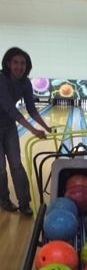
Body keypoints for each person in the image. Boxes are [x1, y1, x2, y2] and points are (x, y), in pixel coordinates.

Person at [0, 47, 53, 216]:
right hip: (7, 119)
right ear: (8, 64)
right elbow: (10, 107)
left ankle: (24, 203)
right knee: (0, 168)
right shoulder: (1, 79)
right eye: (15, 62)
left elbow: (31, 109)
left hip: (8, 125)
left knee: (16, 165)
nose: (19, 66)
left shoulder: (25, 83)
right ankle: (4, 199)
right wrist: (32, 130)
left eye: (23, 63)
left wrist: (45, 127)